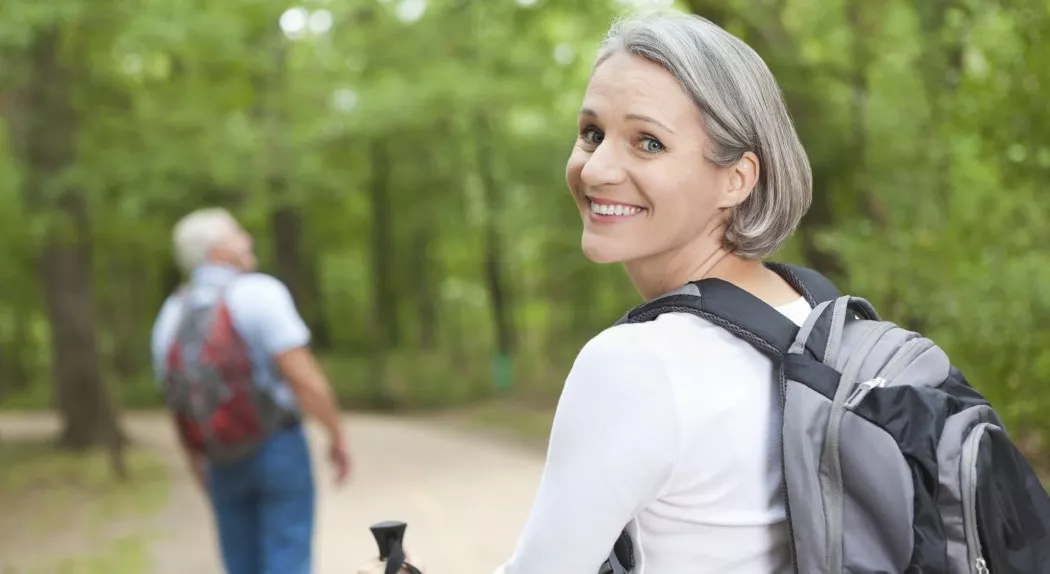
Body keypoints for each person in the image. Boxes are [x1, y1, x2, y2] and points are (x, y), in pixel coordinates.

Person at [497, 10, 814, 574]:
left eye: (647, 143)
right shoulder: (811, 311)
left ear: (737, 178)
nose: (595, 171)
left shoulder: (635, 365)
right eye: (592, 133)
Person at [150, 207, 351, 574]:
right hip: (278, 447)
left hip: (220, 457)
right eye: (237, 233)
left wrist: (196, 463)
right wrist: (336, 435)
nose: (248, 239)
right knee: (288, 557)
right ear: (217, 250)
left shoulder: (169, 314)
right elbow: (304, 378)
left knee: (240, 565)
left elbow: (178, 402)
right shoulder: (259, 292)